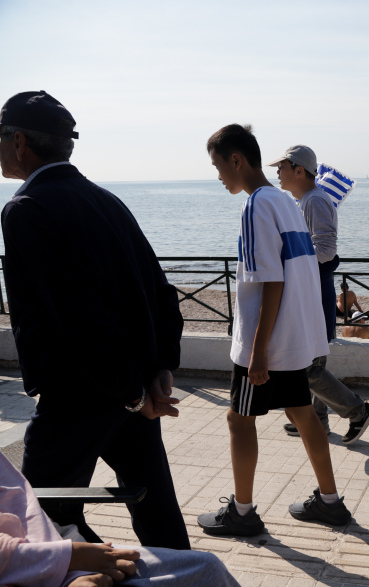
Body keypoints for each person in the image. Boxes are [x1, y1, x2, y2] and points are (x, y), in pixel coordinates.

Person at [0, 91, 189, 549]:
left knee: (37, 518)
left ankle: (104, 570)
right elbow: (162, 293)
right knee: (156, 509)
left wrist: (133, 394)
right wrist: (159, 371)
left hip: (81, 395)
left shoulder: (26, 209)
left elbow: (79, 319)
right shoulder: (107, 200)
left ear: (20, 141)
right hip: (131, 384)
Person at [198, 125, 351, 535]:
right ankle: (331, 502)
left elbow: (270, 280)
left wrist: (258, 350)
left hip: (267, 341)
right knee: (302, 413)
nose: (218, 176)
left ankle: (243, 513)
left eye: (218, 166)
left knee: (238, 420)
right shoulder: (285, 202)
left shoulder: (256, 207)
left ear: (236, 160)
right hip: (295, 337)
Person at [268, 145, 369, 445]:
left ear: (299, 170)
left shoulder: (315, 201)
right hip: (313, 288)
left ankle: (358, 411)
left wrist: (286, 256)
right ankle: (318, 420)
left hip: (314, 291)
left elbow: (326, 250)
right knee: (315, 360)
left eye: (282, 167)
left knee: (308, 367)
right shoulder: (307, 200)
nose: (277, 172)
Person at [0, 453, 240, 587]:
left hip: (44, 550)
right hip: (43, 562)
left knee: (207, 568)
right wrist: (67, 561)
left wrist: (66, 564)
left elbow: (20, 505)